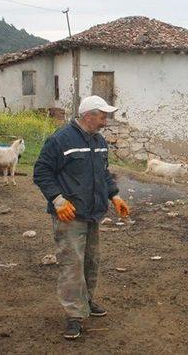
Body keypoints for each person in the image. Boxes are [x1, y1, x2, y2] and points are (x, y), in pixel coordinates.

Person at [33, 95, 131, 340]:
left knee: (90, 261)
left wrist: (114, 196)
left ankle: (86, 301)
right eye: (103, 115)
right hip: (70, 215)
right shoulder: (60, 139)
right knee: (71, 265)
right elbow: (41, 172)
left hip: (92, 214)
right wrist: (57, 201)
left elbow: (103, 173)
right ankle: (74, 315)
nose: (106, 119)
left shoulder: (98, 141)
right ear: (88, 115)